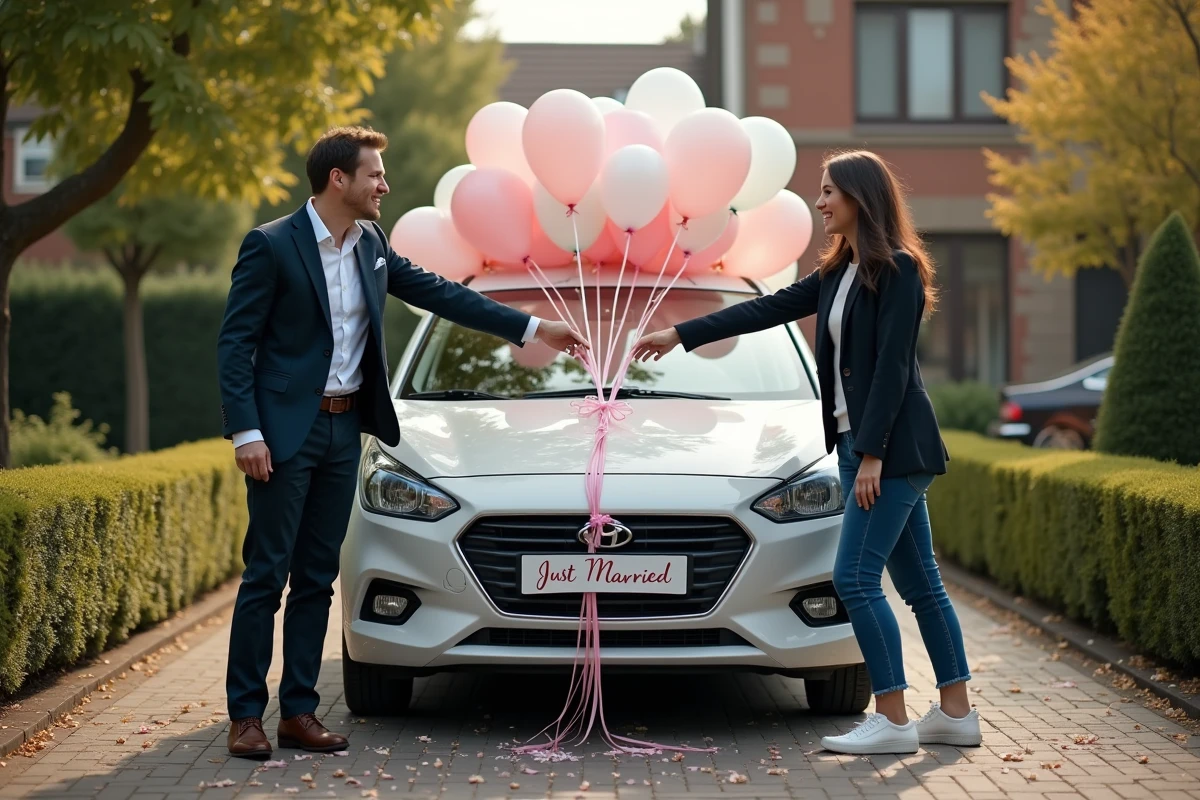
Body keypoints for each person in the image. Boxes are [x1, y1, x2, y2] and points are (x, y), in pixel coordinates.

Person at [216, 126, 585, 759]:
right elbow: (235, 344)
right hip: (281, 436)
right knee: (265, 574)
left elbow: (443, 294)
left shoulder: (373, 245)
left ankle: (298, 712)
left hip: (343, 432)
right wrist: (246, 430)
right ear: (339, 179)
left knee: (315, 579)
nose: (385, 184)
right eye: (374, 175)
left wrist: (531, 327)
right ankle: (246, 715)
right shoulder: (271, 245)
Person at [631, 150, 980, 755]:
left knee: (854, 578)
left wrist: (871, 455)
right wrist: (681, 334)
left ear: (859, 197)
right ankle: (955, 714)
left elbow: (895, 368)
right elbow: (765, 309)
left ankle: (893, 720)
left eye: (828, 193)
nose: (819, 203)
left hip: (888, 451)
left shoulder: (896, 269)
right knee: (921, 583)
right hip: (861, 447)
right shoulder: (838, 273)